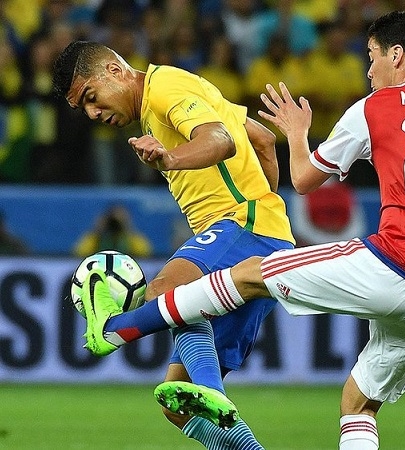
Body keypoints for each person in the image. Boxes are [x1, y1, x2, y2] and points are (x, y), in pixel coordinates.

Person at [76, 11, 405, 450]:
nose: (369, 71)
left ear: (396, 55)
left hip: (395, 263)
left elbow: (303, 179)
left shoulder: (375, 107)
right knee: (358, 405)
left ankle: (115, 331)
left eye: (372, 57)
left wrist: (297, 133)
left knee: (248, 275)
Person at [52, 40, 296, 449]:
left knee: (167, 290)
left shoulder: (165, 87)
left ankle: (113, 332)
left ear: (115, 71)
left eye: (91, 97)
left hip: (243, 224)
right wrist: (271, 216)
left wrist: (171, 160)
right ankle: (215, 399)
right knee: (178, 406)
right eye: (83, 108)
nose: (93, 113)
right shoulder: (180, 93)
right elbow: (263, 140)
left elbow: (221, 139)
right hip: (258, 232)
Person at [73, 204, 153, 258]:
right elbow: (80, 252)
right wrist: (96, 231)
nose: (115, 224)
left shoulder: (130, 238)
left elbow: (145, 252)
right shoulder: (97, 238)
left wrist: (128, 229)